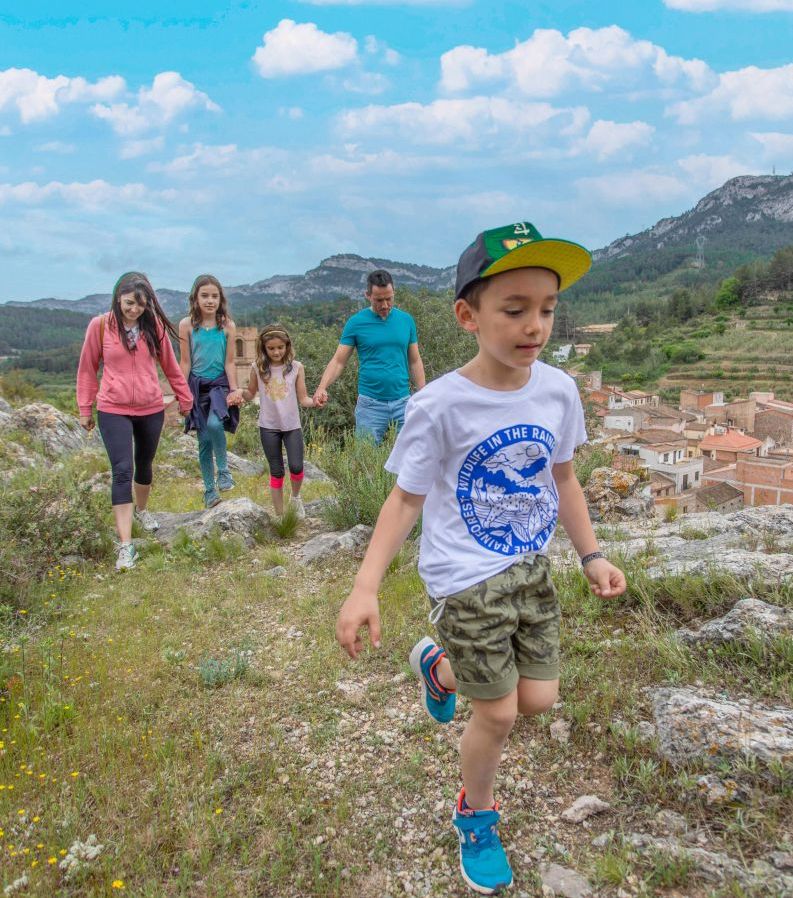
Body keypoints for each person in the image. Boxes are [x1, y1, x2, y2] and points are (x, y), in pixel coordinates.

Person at [335, 222, 627, 894]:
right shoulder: (438, 404)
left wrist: (590, 555)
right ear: (467, 316)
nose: (535, 326)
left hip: (529, 574)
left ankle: (438, 668)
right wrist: (364, 586)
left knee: (537, 701)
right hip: (463, 581)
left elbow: (564, 479)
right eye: (514, 309)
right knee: (494, 715)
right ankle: (475, 814)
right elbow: (404, 501)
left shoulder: (555, 391)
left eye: (547, 309)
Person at [77, 271, 193, 571]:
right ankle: (126, 546)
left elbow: (170, 365)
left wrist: (185, 398)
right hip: (112, 407)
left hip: (151, 407)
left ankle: (142, 510)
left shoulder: (153, 326)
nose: (134, 309)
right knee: (122, 471)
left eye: (140, 304)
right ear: (118, 298)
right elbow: (88, 368)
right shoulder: (100, 326)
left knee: (144, 464)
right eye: (129, 303)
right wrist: (85, 408)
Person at [313, 269, 425, 443]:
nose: (385, 305)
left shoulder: (406, 320)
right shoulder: (356, 323)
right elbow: (338, 361)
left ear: (394, 292)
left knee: (410, 460)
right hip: (370, 405)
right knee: (365, 462)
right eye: (379, 300)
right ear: (368, 295)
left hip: (403, 402)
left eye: (389, 299)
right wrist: (322, 387)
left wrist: (422, 393)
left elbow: (415, 360)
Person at [179, 275, 244, 509]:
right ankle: (209, 491)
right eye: (204, 296)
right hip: (196, 386)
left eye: (214, 296)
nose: (209, 300)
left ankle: (224, 472)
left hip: (219, 385)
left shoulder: (227, 325)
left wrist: (234, 390)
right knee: (204, 440)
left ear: (220, 299)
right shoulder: (186, 325)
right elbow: (185, 362)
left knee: (216, 425)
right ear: (195, 298)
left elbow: (229, 362)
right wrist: (182, 393)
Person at [240, 324, 315, 518]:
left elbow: (303, 398)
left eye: (280, 347)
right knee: (276, 471)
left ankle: (296, 498)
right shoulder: (257, 368)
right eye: (271, 348)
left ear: (287, 346)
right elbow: (250, 392)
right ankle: (280, 516)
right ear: (264, 349)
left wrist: (315, 401)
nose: (276, 351)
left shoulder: (296, 368)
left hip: (291, 426)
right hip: (268, 427)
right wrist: (239, 394)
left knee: (297, 466)